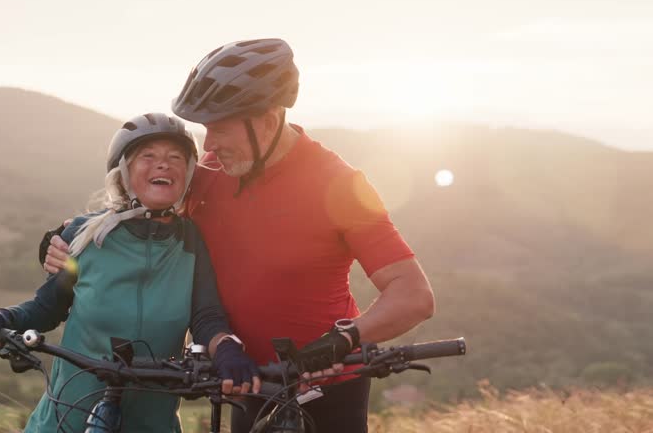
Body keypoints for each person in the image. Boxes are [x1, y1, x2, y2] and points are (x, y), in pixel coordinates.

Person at [42, 39, 436, 432]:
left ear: (266, 119)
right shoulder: (210, 175)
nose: (208, 145)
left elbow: (413, 294)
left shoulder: (341, 185)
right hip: (245, 381)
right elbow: (137, 210)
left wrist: (346, 337)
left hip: (328, 388)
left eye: (220, 129)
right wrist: (62, 240)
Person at [0, 113, 260, 433]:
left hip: (151, 424)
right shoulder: (86, 235)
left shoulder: (190, 242)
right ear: (124, 171)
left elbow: (206, 318)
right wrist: (3, 318)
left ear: (187, 174)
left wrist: (228, 348)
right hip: (65, 421)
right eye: (149, 156)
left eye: (176, 157)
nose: (164, 164)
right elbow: (46, 307)